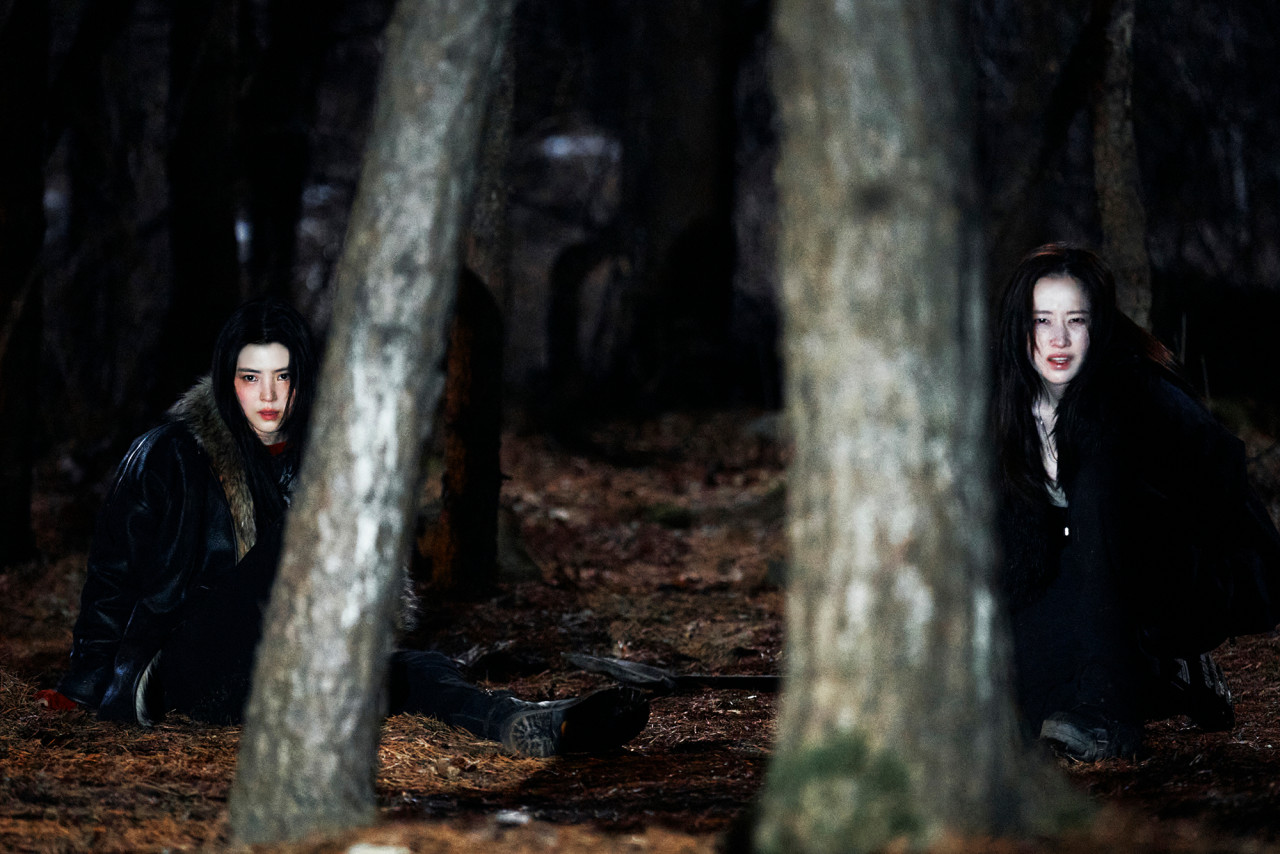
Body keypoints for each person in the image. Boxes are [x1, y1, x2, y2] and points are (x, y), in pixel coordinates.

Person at [57, 297, 648, 757]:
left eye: (283, 377)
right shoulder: (169, 453)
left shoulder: (315, 460)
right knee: (302, 533)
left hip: (274, 671)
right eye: (250, 378)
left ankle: (531, 724)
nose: (268, 396)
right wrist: (83, 690)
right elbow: (112, 578)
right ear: (224, 380)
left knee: (417, 669)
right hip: (179, 672)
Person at [992, 243, 1280, 761]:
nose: (1059, 340)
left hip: (1173, 571)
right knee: (1031, 705)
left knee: (1098, 480)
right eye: (1042, 321)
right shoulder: (1004, 400)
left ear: (1098, 325)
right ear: (1020, 326)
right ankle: (1172, 674)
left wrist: (1172, 561)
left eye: (1076, 321)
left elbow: (1223, 477)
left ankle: (1115, 710)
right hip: (1079, 571)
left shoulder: (1133, 388)